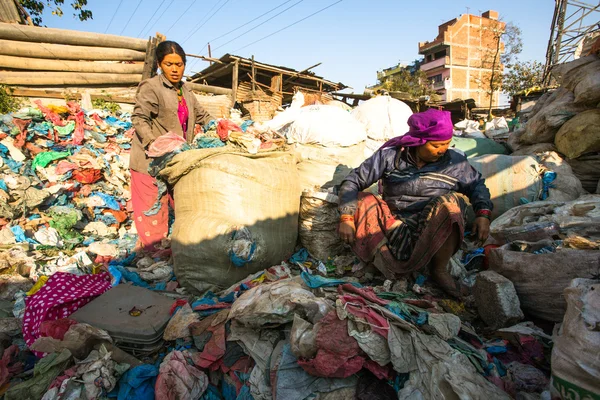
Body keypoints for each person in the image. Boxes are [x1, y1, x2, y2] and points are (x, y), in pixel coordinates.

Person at [338, 109, 492, 297]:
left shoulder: (454, 163)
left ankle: (439, 270)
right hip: (393, 225)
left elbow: (476, 185)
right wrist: (346, 217)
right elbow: (352, 181)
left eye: (446, 144)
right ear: (419, 141)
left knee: (452, 203)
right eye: (436, 145)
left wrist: (483, 214)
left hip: (431, 226)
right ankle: (383, 264)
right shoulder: (390, 157)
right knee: (364, 199)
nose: (442, 149)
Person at [131, 40, 214, 251]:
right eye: (169, 64)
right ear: (159, 64)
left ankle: (174, 250)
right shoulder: (151, 87)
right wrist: (154, 143)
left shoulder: (185, 91)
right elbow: (140, 118)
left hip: (174, 159)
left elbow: (203, 115)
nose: (175, 69)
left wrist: (221, 126)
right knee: (153, 210)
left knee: (180, 205)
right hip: (150, 161)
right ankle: (153, 256)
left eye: (179, 64)